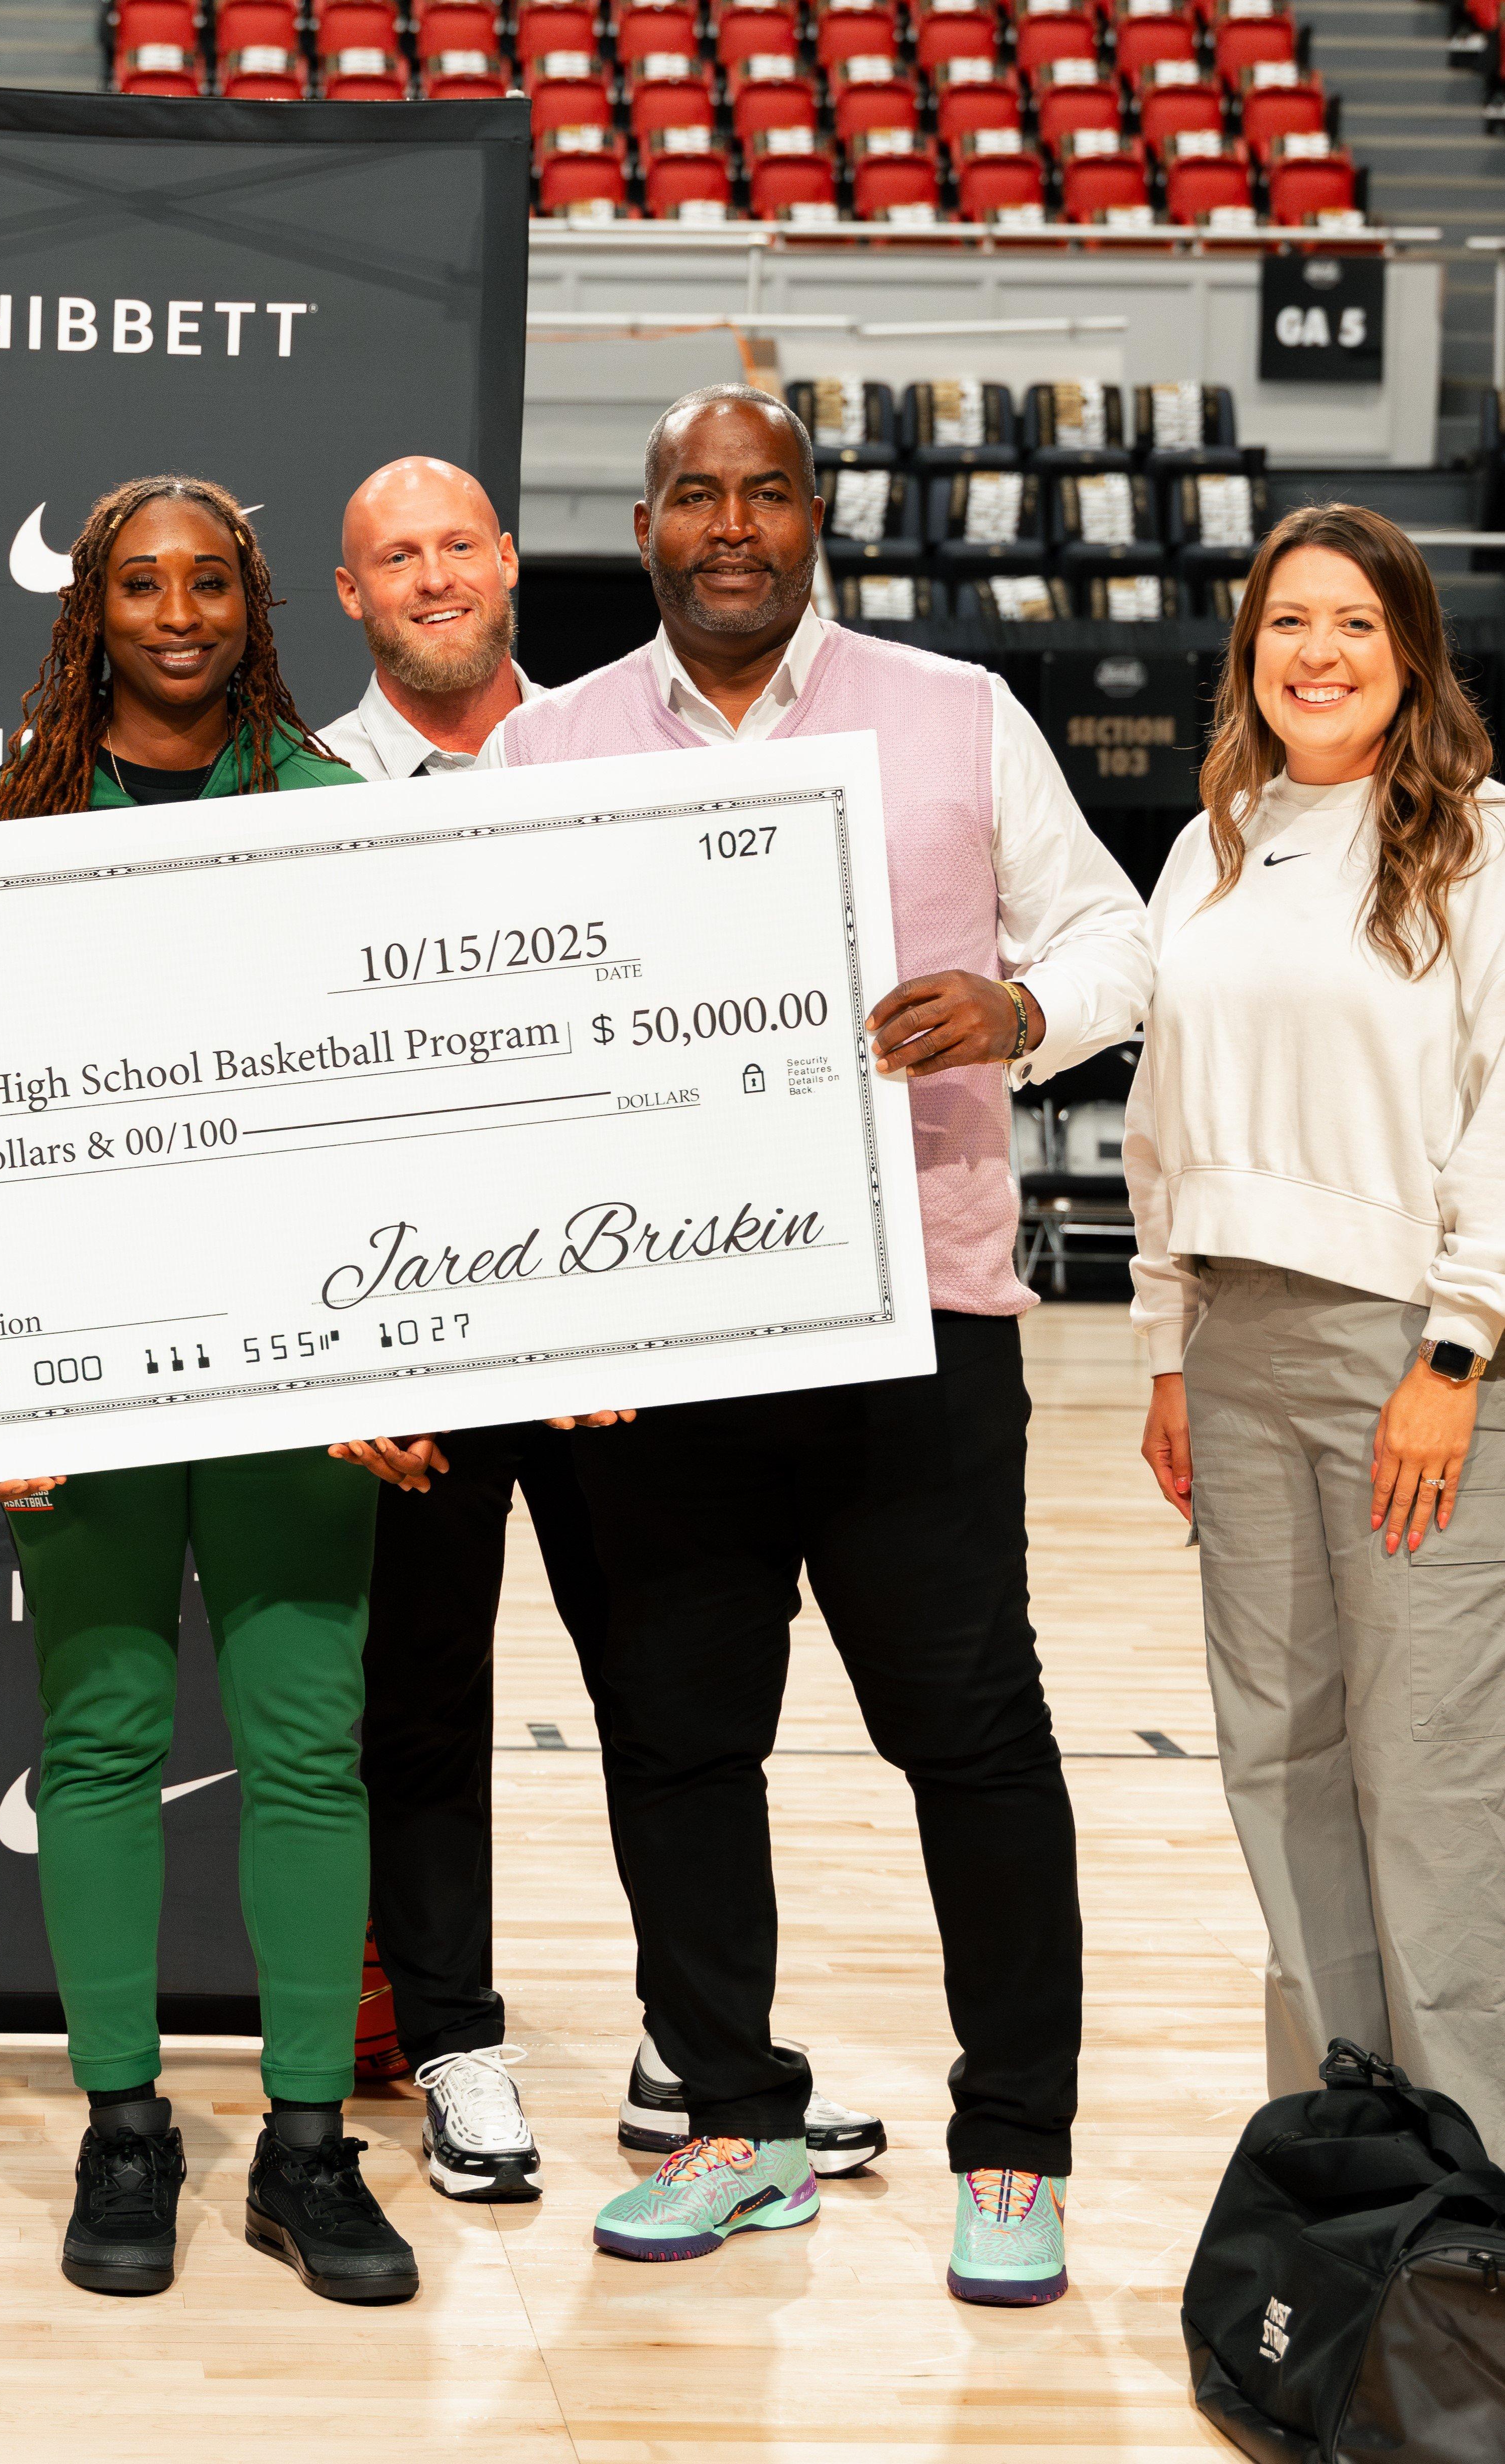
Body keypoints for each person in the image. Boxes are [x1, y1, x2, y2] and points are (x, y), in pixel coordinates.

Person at [484, 384, 1153, 2301]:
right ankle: (736, 2118)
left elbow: (1120, 936)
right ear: (645, 519)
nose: (730, 526)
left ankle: (1016, 2146)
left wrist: (1017, 1008)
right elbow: (504, 1060)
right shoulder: (549, 745)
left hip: (916, 1326)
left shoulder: (957, 711)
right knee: (684, 1746)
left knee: (975, 1737)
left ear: (814, 515)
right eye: (696, 494)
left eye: (765, 493)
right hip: (667, 1346)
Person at [323, 457, 886, 2206]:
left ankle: (704, 2056)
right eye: (393, 559)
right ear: (352, 596)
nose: (433, 579)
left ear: (511, 563)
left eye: (458, 548)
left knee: (673, 1698)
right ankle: (458, 2047)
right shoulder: (302, 787)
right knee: (417, 1705)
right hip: (409, 1328)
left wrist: (649, 1295)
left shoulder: (625, 746)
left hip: (615, 1339)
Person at [0, 474, 419, 2307]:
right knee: (103, 1741)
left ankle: (308, 2145)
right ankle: (127, 2122)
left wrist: (410, 1350)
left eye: (206, 583)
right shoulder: (10, 823)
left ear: (254, 607)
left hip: (298, 1366)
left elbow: (409, 1107)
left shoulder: (340, 816)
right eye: (139, 584)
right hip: (83, 1369)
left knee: (305, 1743)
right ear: (92, 611)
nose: (175, 612)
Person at [1127, 503, 1505, 2150]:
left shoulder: (1478, 847)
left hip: (1407, 1354)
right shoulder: (1211, 843)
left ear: (1410, 651)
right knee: (1277, 1776)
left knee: (1425, 1786)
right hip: (1234, 1342)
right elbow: (1159, 1119)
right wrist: (1164, 1348)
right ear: (1249, 654)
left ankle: (1475, 2190)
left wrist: (1455, 1348)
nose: (1319, 654)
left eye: (1355, 623)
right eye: (1289, 622)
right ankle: (1346, 2167)